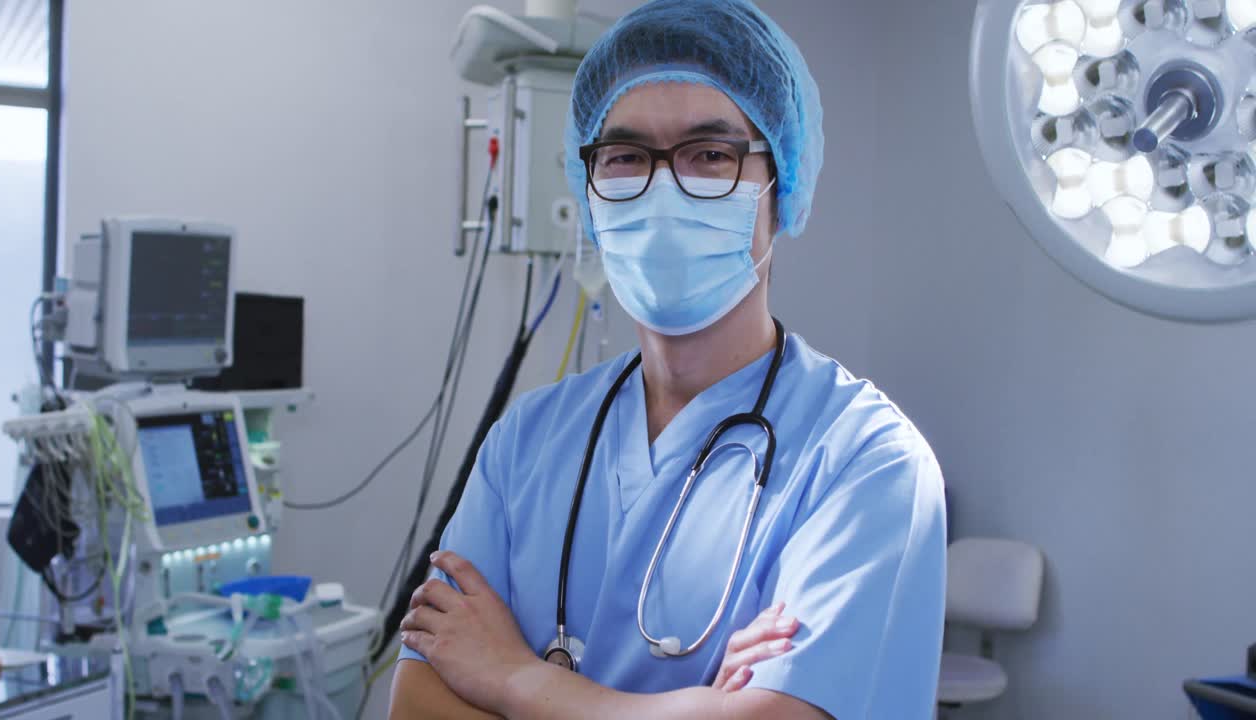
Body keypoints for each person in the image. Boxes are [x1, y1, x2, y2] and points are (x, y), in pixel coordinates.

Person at [388, 1, 946, 717]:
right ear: (589, 190)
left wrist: (514, 679)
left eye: (710, 155)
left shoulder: (868, 462)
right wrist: (692, 705)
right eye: (624, 158)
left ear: (783, 184)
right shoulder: (525, 444)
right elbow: (417, 703)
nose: (662, 188)